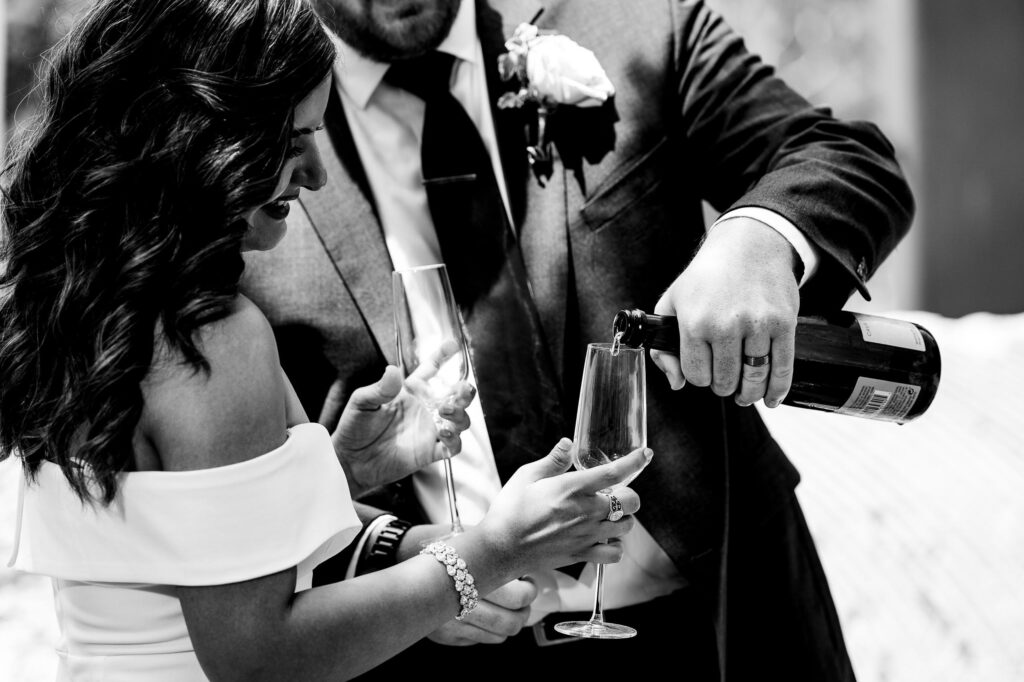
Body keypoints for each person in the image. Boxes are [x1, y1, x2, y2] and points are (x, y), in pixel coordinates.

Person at [241, 0, 916, 679]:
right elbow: (218, 476)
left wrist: (761, 236)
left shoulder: (631, 25)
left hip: (712, 622)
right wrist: (389, 554)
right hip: (415, 647)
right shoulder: (245, 121)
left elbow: (847, 159)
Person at [0, 1, 648, 680]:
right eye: (294, 136)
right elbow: (259, 657)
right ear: (200, 133)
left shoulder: (86, 312)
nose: (316, 172)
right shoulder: (212, 340)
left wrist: (335, 475)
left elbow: (178, 542)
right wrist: (495, 549)